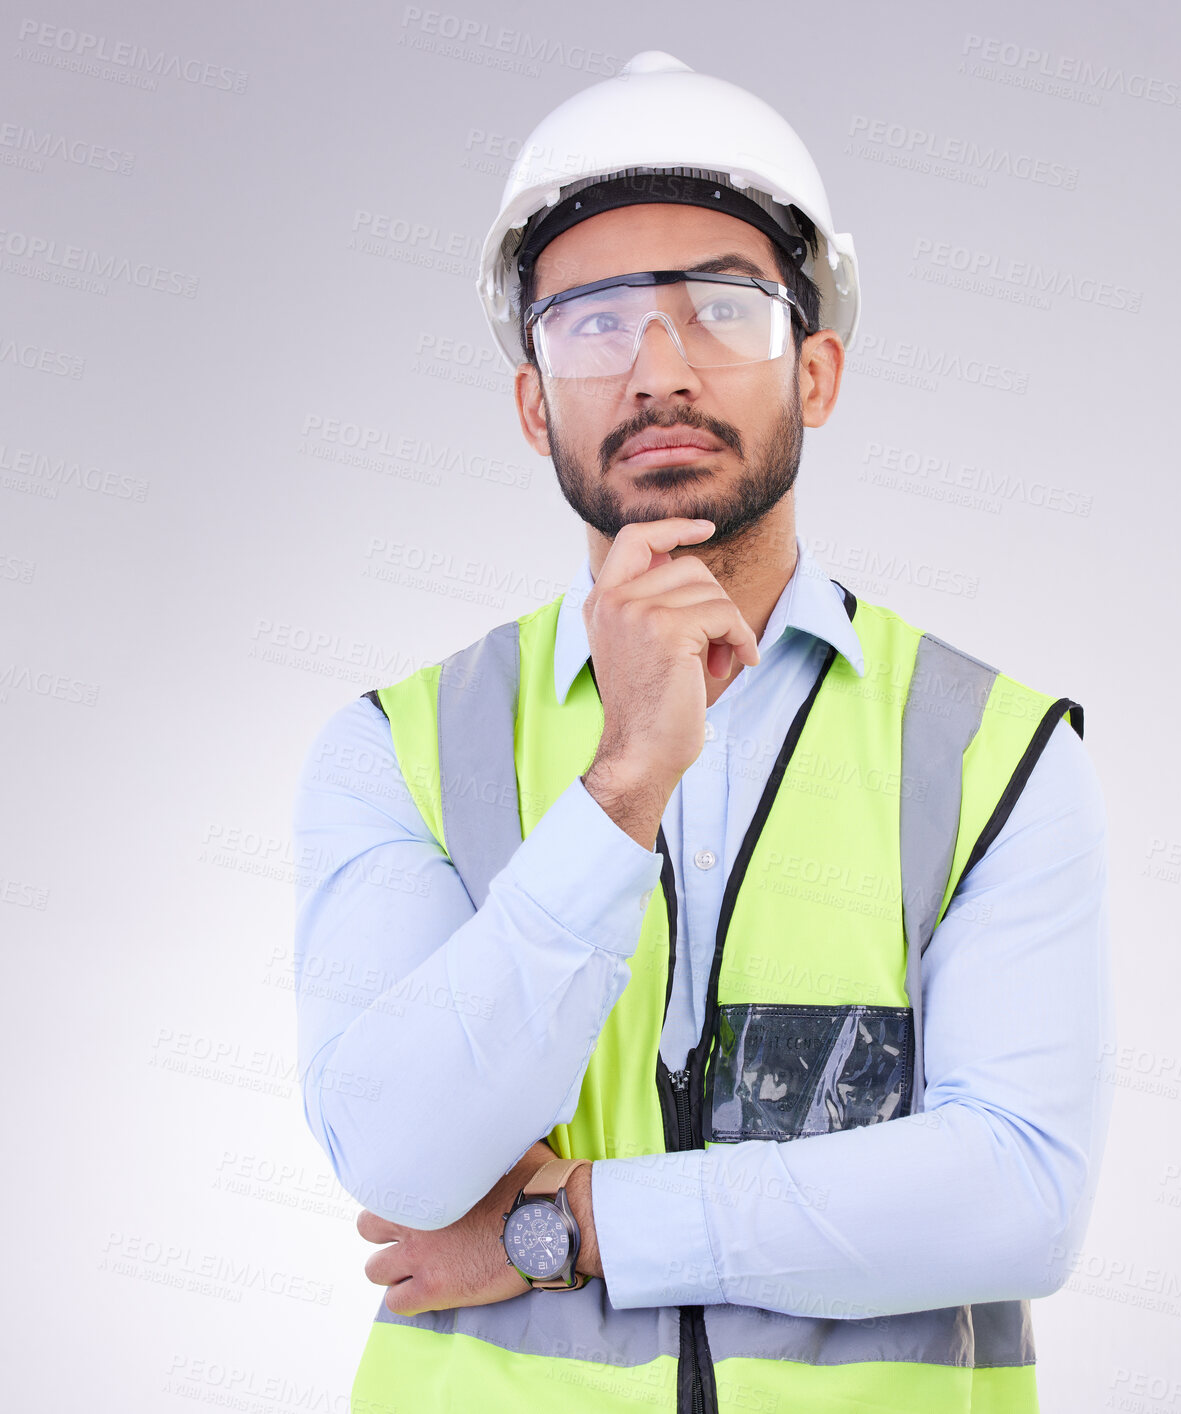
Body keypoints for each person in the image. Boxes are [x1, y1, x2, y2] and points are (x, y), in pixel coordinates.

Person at [292, 50, 1113, 1414]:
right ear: (531, 401)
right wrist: (622, 785)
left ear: (819, 368)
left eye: (721, 309)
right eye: (595, 324)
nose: (659, 369)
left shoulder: (995, 751)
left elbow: (1020, 1190)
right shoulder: (399, 746)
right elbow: (401, 1154)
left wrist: (570, 1227)